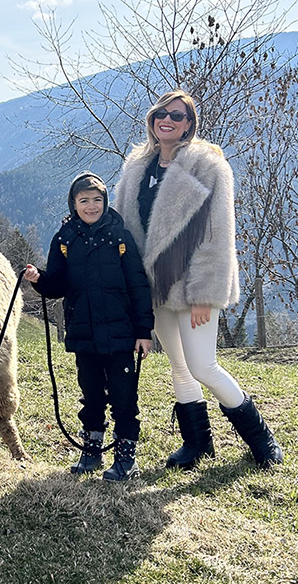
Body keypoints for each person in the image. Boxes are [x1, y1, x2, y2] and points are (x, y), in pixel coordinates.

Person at [113, 89, 283, 470]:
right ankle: (197, 444)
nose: (167, 119)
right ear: (152, 119)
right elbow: (121, 222)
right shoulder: (137, 168)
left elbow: (217, 234)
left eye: (177, 115)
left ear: (189, 124)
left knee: (204, 365)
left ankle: (261, 439)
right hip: (153, 287)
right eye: (161, 112)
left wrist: (205, 294)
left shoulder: (208, 167)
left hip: (192, 287)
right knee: (178, 365)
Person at [24, 172, 154, 481]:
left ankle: (126, 456)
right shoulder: (65, 239)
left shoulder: (120, 237)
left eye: (97, 200)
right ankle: (92, 449)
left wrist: (143, 331)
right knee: (91, 393)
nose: (91, 206)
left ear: (105, 202)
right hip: (84, 333)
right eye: (84, 200)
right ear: (74, 203)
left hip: (122, 334)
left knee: (124, 397)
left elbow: (138, 284)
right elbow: (58, 284)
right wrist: (39, 279)